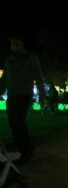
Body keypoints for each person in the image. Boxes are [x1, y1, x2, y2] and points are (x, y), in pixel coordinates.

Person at [0, 34, 46, 165]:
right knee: (12, 122)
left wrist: (42, 95)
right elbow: (4, 80)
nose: (14, 46)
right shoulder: (9, 61)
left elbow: (38, 76)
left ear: (22, 44)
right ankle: (22, 147)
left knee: (19, 121)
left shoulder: (30, 58)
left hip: (24, 95)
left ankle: (26, 149)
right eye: (12, 43)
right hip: (12, 96)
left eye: (16, 43)